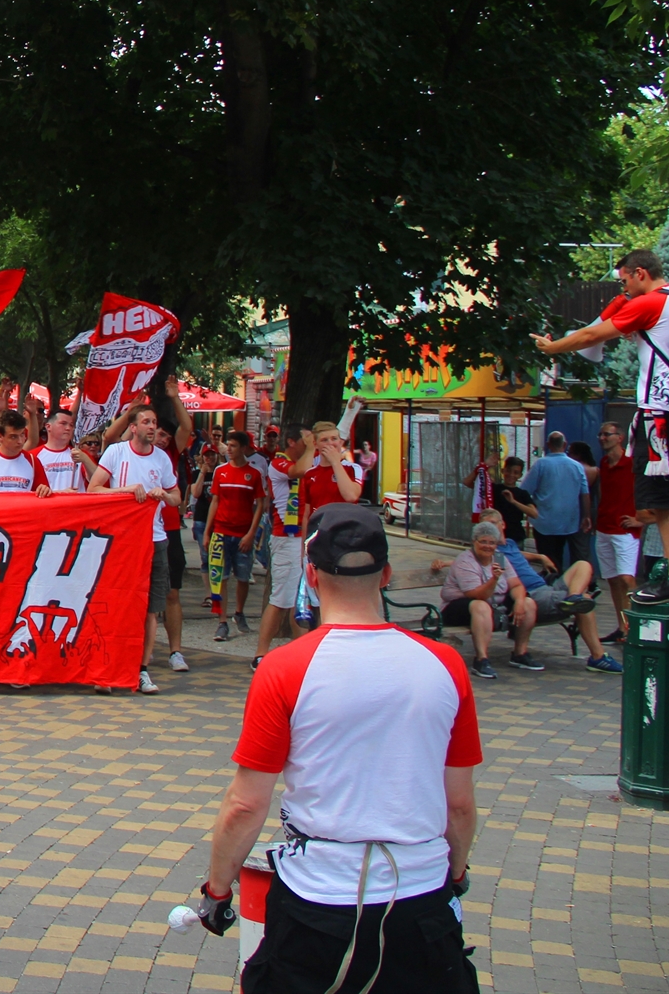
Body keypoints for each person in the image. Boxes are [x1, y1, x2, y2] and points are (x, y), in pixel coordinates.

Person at [194, 503, 479, 994]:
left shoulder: (284, 668)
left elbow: (245, 805)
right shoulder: (445, 664)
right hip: (420, 900)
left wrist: (217, 890)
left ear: (311, 575)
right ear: (386, 574)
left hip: (318, 902)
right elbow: (459, 804)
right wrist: (454, 874)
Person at [534, 248, 669, 603]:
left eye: (625, 280)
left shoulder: (651, 302)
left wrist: (552, 348)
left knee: (663, 498)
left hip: (661, 415)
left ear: (640, 272)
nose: (623, 288)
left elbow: (590, 337)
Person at [448, 512, 621, 674]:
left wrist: (540, 557)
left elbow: (516, 572)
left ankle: (573, 596)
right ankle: (598, 655)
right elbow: (469, 564)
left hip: (545, 586)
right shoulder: (490, 553)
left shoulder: (507, 547)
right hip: (533, 593)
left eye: (493, 525)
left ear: (502, 525)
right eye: (484, 529)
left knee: (583, 565)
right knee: (584, 601)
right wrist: (446, 562)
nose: (488, 535)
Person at [89, 406, 180, 693]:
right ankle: (107, 668)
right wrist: (125, 491)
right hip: (123, 540)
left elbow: (177, 496)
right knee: (116, 603)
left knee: (151, 609)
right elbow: (94, 489)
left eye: (154, 422)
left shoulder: (162, 458)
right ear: (133, 427)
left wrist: (164, 495)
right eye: (146, 422)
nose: (152, 427)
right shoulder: (117, 453)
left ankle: (142, 670)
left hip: (155, 540)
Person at [193, 430, 266, 641]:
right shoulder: (221, 471)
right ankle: (222, 621)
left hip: (242, 533)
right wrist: (208, 532)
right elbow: (215, 501)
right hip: (221, 532)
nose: (229, 449)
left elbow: (260, 505)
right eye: (229, 445)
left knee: (243, 577)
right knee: (220, 577)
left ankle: (239, 612)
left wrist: (252, 534)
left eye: (233, 446)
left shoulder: (254, 473)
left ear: (243, 448)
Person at [250, 425, 312, 668]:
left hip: (303, 536)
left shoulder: (307, 460)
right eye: (306, 441)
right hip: (286, 537)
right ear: (292, 442)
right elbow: (299, 470)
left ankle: (303, 653)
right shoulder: (278, 464)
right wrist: (312, 447)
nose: (310, 445)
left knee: (299, 599)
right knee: (280, 599)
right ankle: (260, 654)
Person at [438, 522, 533, 679]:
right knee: (481, 606)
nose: (488, 546)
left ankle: (520, 654)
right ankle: (481, 659)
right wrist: (494, 579)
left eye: (492, 543)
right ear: (474, 541)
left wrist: (520, 602)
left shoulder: (500, 558)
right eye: (483, 541)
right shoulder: (465, 561)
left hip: (493, 603)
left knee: (528, 603)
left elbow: (516, 585)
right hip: (459, 606)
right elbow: (477, 595)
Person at [582, 420, 644, 640]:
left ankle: (636, 628)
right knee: (613, 580)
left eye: (607, 434)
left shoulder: (632, 463)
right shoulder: (604, 463)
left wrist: (641, 520)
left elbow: (647, 491)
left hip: (625, 530)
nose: (602, 438)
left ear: (620, 437)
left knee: (627, 579)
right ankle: (622, 627)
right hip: (604, 528)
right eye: (600, 434)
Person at [514, 430, 591, 571]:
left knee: (548, 558)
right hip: (568, 522)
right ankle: (561, 578)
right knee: (560, 553)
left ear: (548, 445)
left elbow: (524, 491)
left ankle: (552, 579)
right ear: (565, 444)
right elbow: (585, 494)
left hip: (544, 522)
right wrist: (586, 516)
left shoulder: (540, 465)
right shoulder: (577, 466)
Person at [0, 410, 53, 497]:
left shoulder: (33, 461)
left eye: (22, 434)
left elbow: (44, 493)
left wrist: (44, 489)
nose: (20, 441)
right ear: (0, 437)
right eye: (13, 437)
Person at [31, 405, 97, 491]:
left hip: (76, 499)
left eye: (71, 425)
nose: (68, 428)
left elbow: (98, 482)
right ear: (48, 426)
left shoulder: (80, 455)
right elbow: (29, 490)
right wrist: (61, 493)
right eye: (63, 423)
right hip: (49, 500)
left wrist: (85, 460)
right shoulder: (33, 456)